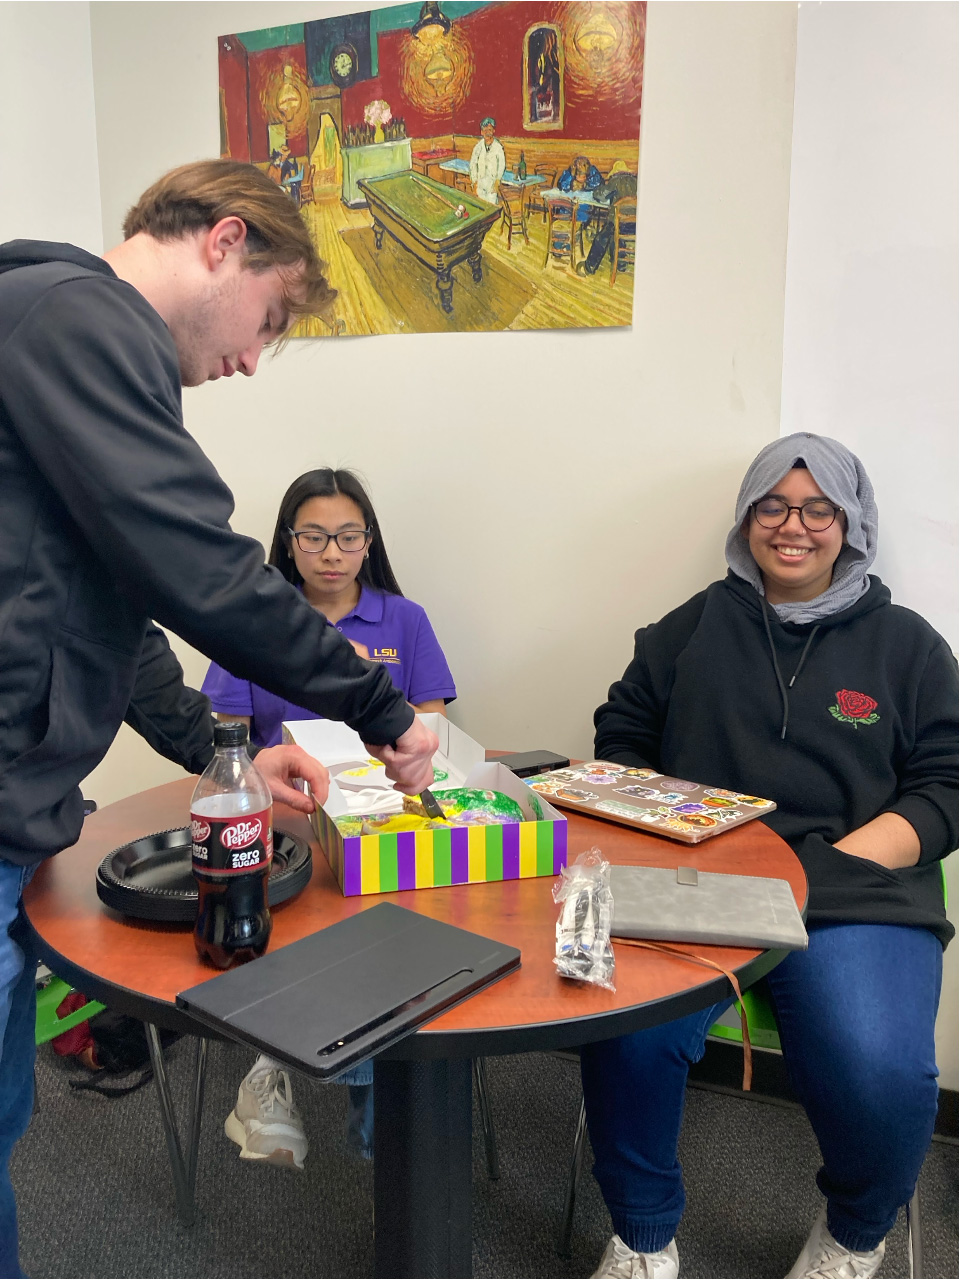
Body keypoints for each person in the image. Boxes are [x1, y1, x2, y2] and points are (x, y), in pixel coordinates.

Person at [0, 158, 437, 1278]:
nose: (251, 356)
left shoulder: (68, 336)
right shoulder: (74, 321)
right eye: (270, 318)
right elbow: (204, 570)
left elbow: (121, 609)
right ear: (224, 241)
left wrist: (223, 747)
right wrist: (381, 707)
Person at [583, 433, 957, 1280]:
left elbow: (947, 787)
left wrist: (826, 867)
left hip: (852, 896)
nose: (795, 526)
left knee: (879, 1070)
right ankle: (643, 1238)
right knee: (626, 1036)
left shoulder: (909, 647)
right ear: (749, 517)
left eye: (818, 508)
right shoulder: (687, 628)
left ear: (851, 522)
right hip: (698, 884)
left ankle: (854, 1236)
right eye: (774, 505)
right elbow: (620, 737)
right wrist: (669, 819)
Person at [204, 467, 457, 1170]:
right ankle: (277, 1067)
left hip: (383, 815)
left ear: (368, 541)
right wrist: (273, 760)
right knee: (308, 916)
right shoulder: (255, 617)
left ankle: (353, 1109)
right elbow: (223, 734)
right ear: (289, 541)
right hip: (286, 817)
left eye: (347, 536)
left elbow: (428, 729)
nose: (330, 552)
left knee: (391, 929)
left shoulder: (403, 619)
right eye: (313, 536)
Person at [576, 160, 637, 277]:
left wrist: (599, 190)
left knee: (602, 237)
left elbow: (600, 195)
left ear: (615, 173)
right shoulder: (636, 182)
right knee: (614, 232)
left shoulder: (616, 181)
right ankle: (621, 263)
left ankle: (589, 267)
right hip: (636, 226)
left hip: (619, 224)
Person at [557, 154, 604, 224]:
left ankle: (580, 226)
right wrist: (572, 183)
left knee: (582, 212)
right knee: (566, 209)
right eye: (579, 173)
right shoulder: (570, 171)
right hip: (571, 202)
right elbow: (562, 184)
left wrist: (585, 185)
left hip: (586, 203)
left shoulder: (593, 171)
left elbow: (599, 183)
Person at [469, 117, 506, 205]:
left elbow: (501, 166)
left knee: (491, 207)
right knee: (481, 206)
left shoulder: (498, 147)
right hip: (480, 183)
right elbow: (473, 165)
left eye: (489, 130)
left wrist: (497, 182)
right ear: (481, 132)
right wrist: (474, 182)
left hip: (492, 184)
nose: (487, 133)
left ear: (493, 131)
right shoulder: (478, 147)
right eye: (484, 130)